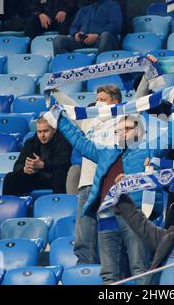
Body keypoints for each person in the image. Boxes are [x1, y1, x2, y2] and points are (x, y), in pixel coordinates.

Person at [48, 110, 168, 284]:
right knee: (109, 275)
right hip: (106, 218)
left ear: (139, 130)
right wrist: (59, 118)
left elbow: (171, 135)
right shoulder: (106, 152)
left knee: (139, 269)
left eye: (126, 129)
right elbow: (80, 142)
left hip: (134, 217)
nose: (121, 133)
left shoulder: (149, 150)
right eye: (118, 130)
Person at [66, 85, 122, 265]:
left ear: (116, 102)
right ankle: (85, 274)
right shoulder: (90, 121)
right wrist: (53, 91)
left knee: (110, 238)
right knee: (84, 238)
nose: (98, 103)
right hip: (87, 186)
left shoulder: (124, 119)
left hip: (111, 185)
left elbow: (141, 98)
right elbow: (70, 106)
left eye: (103, 100)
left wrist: (147, 74)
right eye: (97, 99)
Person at [2, 117, 72, 196]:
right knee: (10, 178)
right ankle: (8, 206)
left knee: (60, 173)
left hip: (54, 178)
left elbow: (65, 164)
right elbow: (17, 166)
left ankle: (59, 205)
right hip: (35, 178)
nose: (42, 135)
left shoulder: (64, 142)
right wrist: (25, 169)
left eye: (45, 131)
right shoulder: (30, 142)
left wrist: (43, 165)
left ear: (54, 130)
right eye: (39, 132)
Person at [53, 0, 122, 55]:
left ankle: (99, 63)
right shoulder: (83, 10)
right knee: (58, 40)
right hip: (82, 40)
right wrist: (76, 33)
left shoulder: (113, 6)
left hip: (100, 39)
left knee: (106, 35)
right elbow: (73, 27)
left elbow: (114, 25)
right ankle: (67, 63)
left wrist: (96, 35)